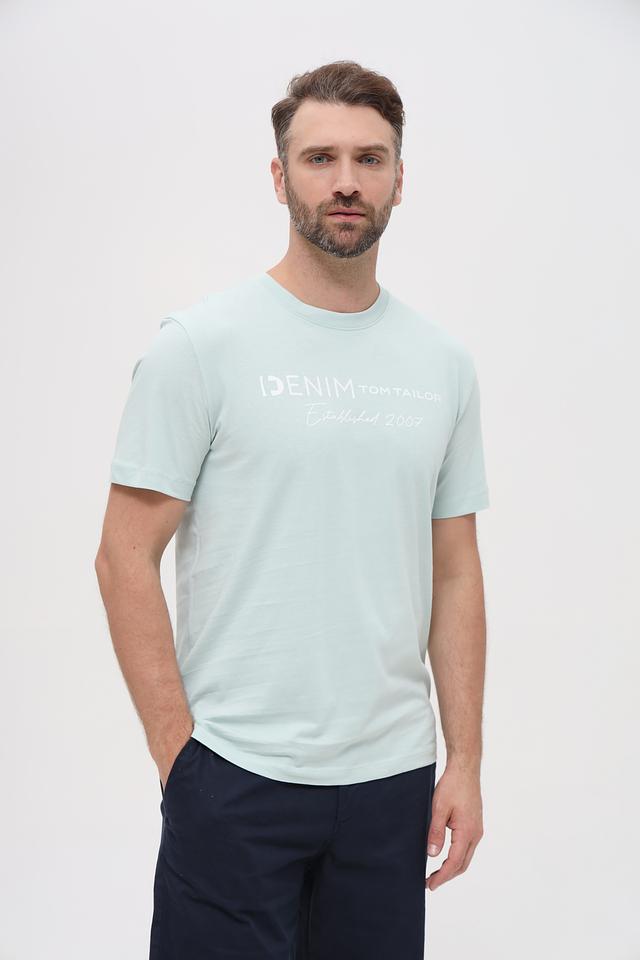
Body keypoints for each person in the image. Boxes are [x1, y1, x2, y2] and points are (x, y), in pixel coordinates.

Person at [95, 59, 490, 960]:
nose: (346, 181)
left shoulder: (442, 365)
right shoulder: (201, 346)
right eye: (319, 159)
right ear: (280, 178)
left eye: (369, 159)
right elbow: (123, 556)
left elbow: (456, 570)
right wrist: (180, 759)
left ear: (399, 178)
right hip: (235, 774)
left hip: (392, 782)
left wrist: (463, 759)